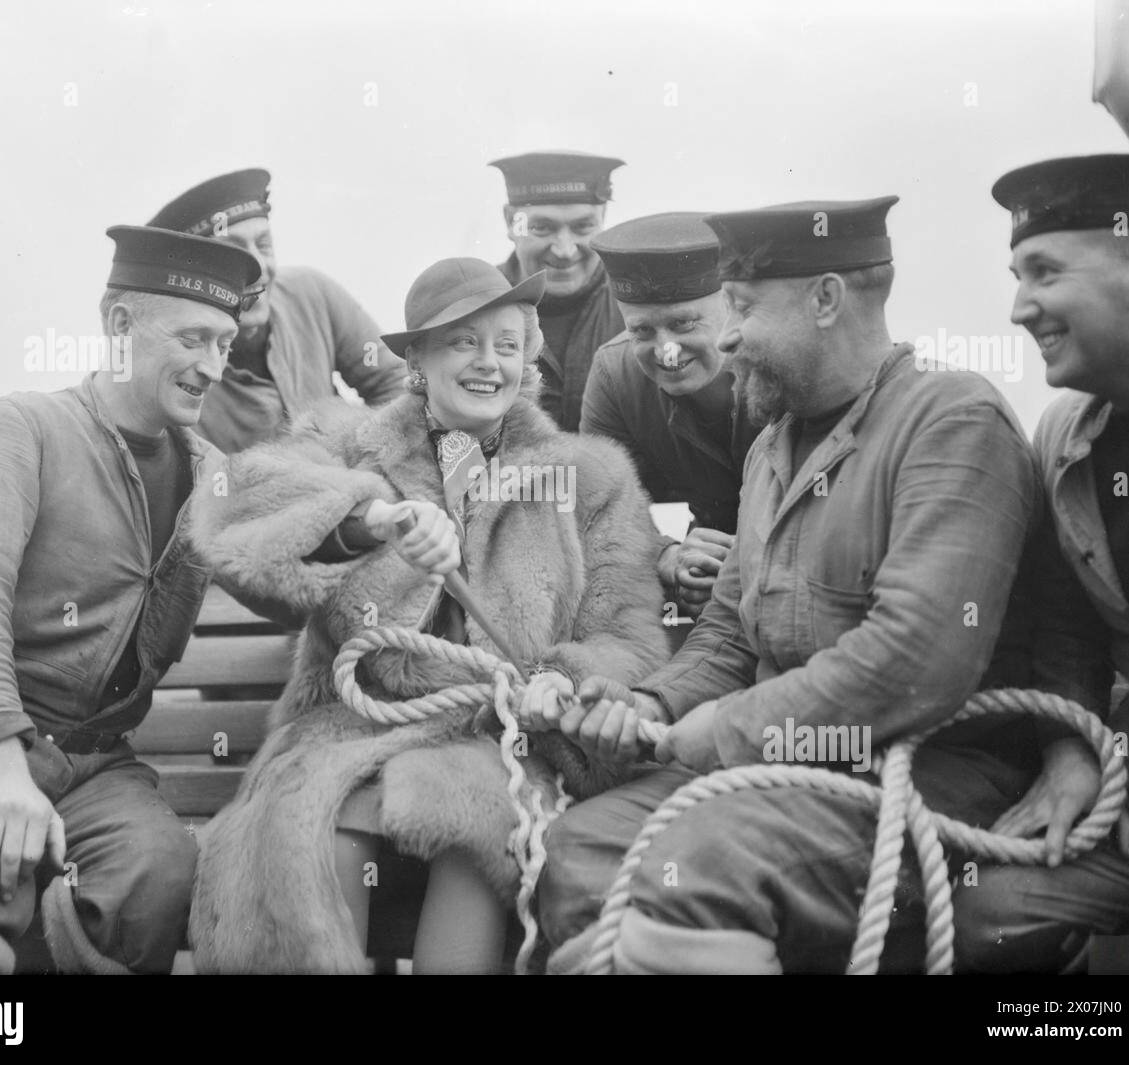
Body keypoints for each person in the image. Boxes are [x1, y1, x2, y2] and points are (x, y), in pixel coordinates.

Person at [536, 196, 1044, 974]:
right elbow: (730, 635)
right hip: (779, 771)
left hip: (926, 771)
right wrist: (653, 702)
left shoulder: (951, 420)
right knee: (579, 848)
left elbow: (916, 659)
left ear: (826, 298)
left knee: (700, 860)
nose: (728, 334)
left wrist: (730, 730)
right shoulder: (770, 447)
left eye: (741, 306)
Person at [186, 257, 668, 973]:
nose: (488, 364)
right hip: (346, 729)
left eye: (507, 344)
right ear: (416, 356)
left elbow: (628, 633)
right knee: (310, 831)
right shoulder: (345, 440)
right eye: (463, 343)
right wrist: (369, 516)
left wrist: (568, 682)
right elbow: (235, 502)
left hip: (499, 737)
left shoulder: (591, 476)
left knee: (477, 835)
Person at [0, 226, 262, 973]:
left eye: (225, 343)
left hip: (95, 767)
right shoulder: (23, 427)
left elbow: (285, 560)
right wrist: (1, 762)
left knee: (156, 871)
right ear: (119, 325)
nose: (213, 366)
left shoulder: (212, 476)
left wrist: (374, 522)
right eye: (193, 338)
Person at [954, 149, 1129, 972]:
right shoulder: (1061, 434)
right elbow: (1068, 621)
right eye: (1016, 275)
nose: (1019, 307)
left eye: (1043, 272)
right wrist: (1076, 747)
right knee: (991, 917)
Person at [148, 168, 406, 453]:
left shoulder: (311, 293)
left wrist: (364, 457)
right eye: (235, 254)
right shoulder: (176, 371)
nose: (258, 268)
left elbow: (397, 381)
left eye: (264, 245)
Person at [582, 212, 762, 617]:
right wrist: (666, 555)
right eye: (642, 332)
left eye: (683, 324)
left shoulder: (776, 360)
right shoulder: (616, 375)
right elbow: (601, 507)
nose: (665, 350)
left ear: (731, 307)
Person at [491, 151, 627, 430]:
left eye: (583, 227)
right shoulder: (473, 305)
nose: (564, 250)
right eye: (542, 227)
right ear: (509, 222)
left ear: (603, 218)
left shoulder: (636, 304)